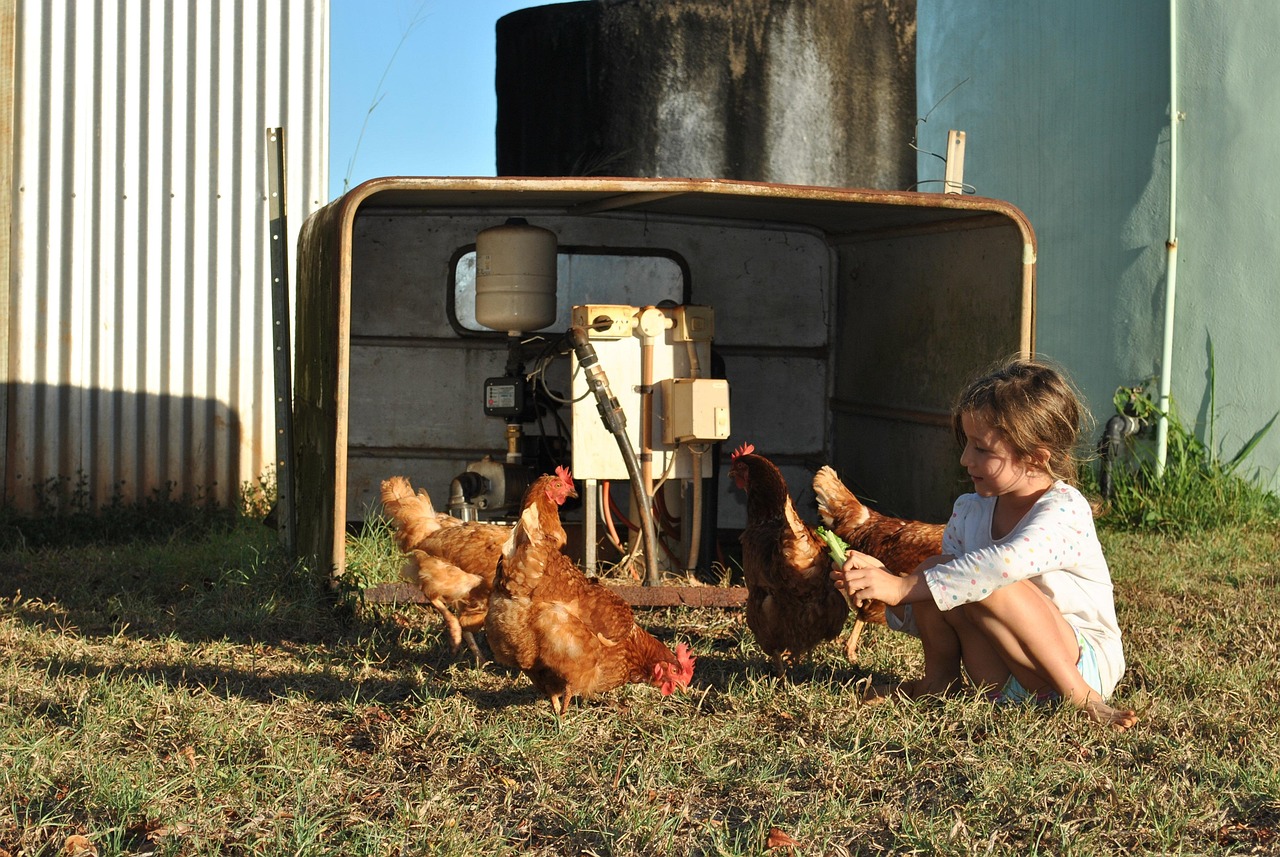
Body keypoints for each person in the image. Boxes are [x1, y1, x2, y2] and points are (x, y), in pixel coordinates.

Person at [832, 357, 1138, 730]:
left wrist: (902, 586)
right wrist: (885, 590)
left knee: (987, 581)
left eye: (981, 448)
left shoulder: (1065, 509)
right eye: (966, 444)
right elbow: (943, 599)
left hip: (1080, 665)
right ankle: (937, 683)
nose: (964, 459)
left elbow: (997, 568)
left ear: (1034, 457)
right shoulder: (969, 511)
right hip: (999, 680)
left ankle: (1084, 700)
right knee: (938, 569)